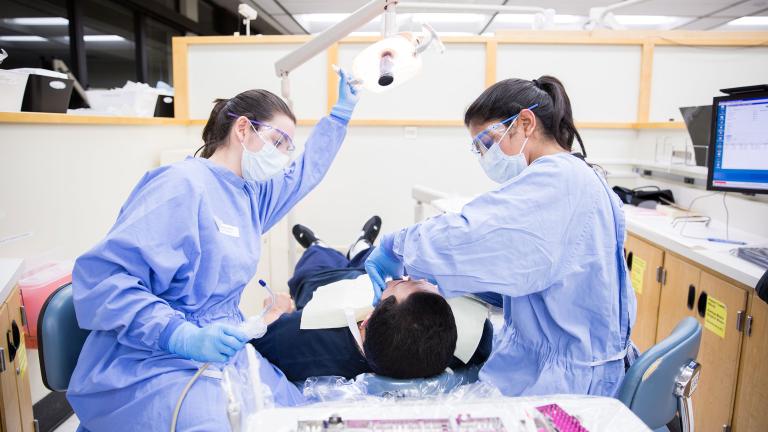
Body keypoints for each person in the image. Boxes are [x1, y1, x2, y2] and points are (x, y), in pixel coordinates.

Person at [67, 72, 360, 431]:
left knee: (288, 414)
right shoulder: (180, 185)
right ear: (242, 129)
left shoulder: (249, 195)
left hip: (218, 348)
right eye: (278, 141)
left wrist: (339, 116)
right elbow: (106, 280)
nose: (283, 156)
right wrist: (180, 335)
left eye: (288, 147)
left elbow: (302, 175)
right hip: (151, 356)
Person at [365, 76, 637, 397]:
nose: (484, 155)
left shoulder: (558, 181)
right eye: (478, 147)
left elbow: (472, 232)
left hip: (568, 383)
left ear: (525, 123)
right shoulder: (577, 176)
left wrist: (396, 247)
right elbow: (545, 269)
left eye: (488, 142)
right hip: (569, 362)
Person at [251, 218, 493, 382]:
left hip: (326, 283)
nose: (408, 275)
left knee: (316, 263)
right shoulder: (472, 342)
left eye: (399, 282)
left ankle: (317, 245)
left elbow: (263, 331)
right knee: (369, 257)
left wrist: (277, 308)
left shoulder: (299, 341)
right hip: (369, 276)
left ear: (365, 321)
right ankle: (362, 246)